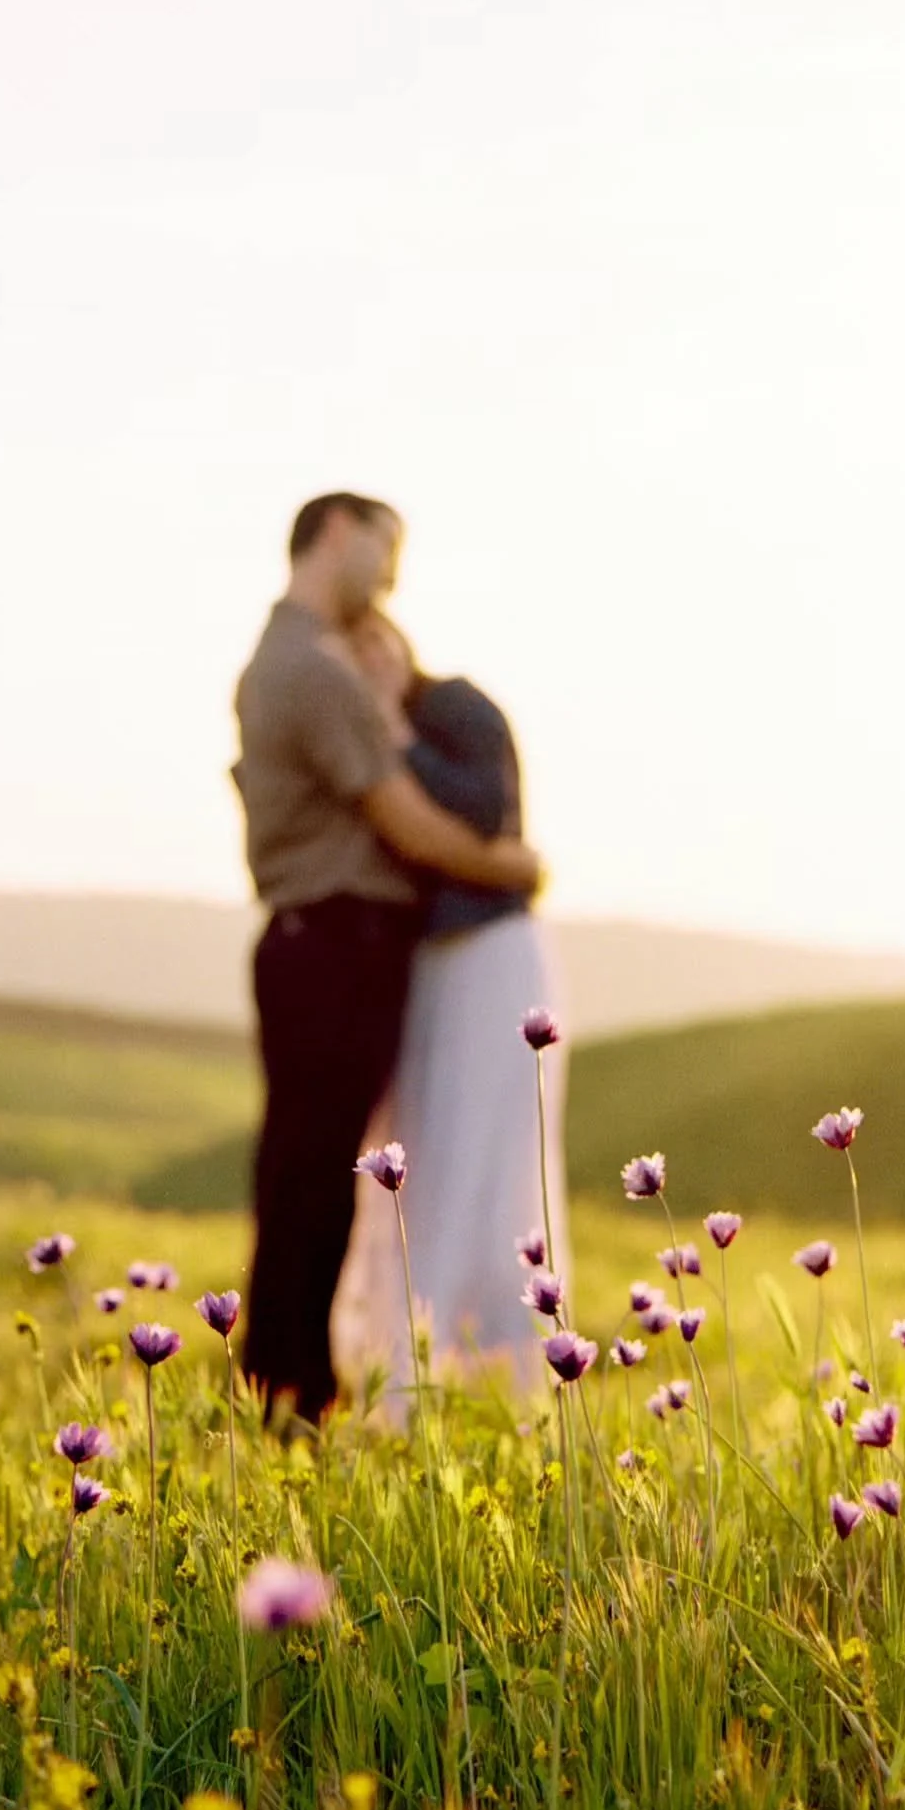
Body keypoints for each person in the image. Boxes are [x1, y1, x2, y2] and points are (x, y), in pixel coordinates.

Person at [228, 491, 545, 1438]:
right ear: (335, 532)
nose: (393, 573)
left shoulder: (289, 660)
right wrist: (513, 867)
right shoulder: (313, 669)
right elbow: (402, 818)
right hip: (335, 946)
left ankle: (288, 1388)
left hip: (323, 946)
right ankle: (292, 1396)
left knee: (308, 1172)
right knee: (314, 1177)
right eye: (385, 546)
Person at [329, 609, 573, 1426]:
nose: (369, 660)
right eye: (352, 651)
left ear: (401, 643)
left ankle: (519, 1375)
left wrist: (399, 732)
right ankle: (410, 1367)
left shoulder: (455, 709)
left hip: (491, 957)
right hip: (423, 969)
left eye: (377, 642)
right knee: (425, 1157)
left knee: (493, 1159)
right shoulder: (351, 739)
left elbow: (488, 810)